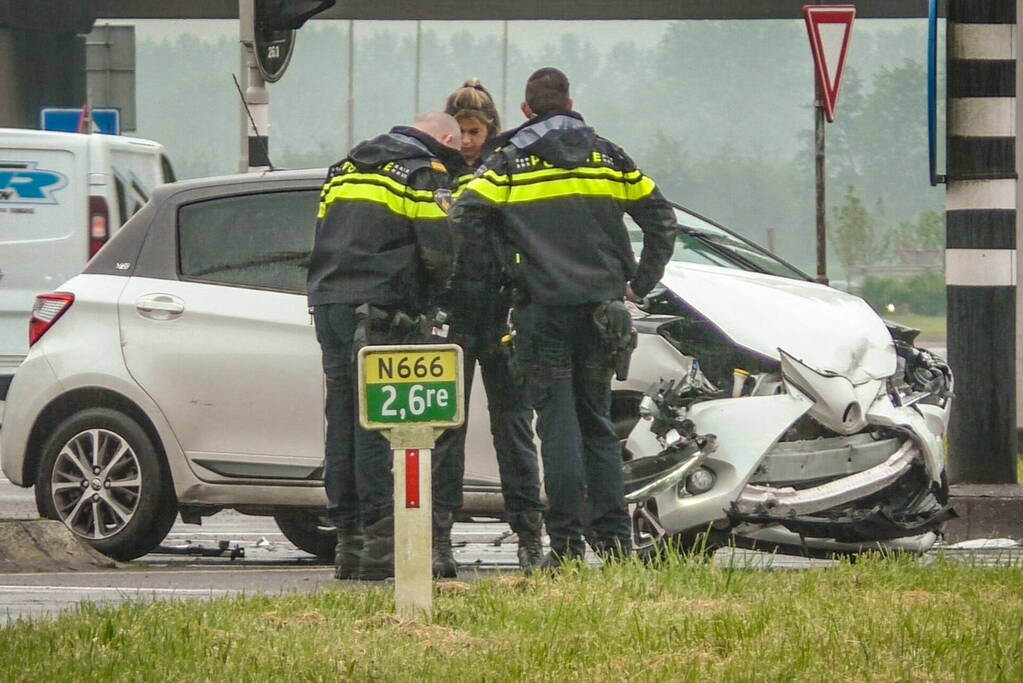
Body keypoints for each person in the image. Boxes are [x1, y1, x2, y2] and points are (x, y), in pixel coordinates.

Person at [449, 68, 678, 568]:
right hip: (604, 313)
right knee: (596, 423)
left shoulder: (511, 162)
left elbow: (464, 215)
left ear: (528, 110)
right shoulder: (609, 156)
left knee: (557, 427)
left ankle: (569, 545)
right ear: (571, 102)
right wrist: (638, 283)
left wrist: (511, 263)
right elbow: (661, 219)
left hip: (541, 310)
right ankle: (616, 541)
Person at [308, 112, 463, 580]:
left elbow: (323, 233)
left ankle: (349, 544)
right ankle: (379, 546)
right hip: (381, 309)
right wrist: (436, 295)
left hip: (331, 305)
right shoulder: (423, 172)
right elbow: (438, 247)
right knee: (376, 423)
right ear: (444, 139)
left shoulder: (344, 169)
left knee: (341, 422)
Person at [428, 80, 545, 578]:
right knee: (444, 430)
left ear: (491, 130)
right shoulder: (432, 172)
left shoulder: (510, 171)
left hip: (501, 311)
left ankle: (529, 537)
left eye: (476, 131)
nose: (469, 141)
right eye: (461, 132)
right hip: (452, 313)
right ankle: (437, 540)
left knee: (515, 429)